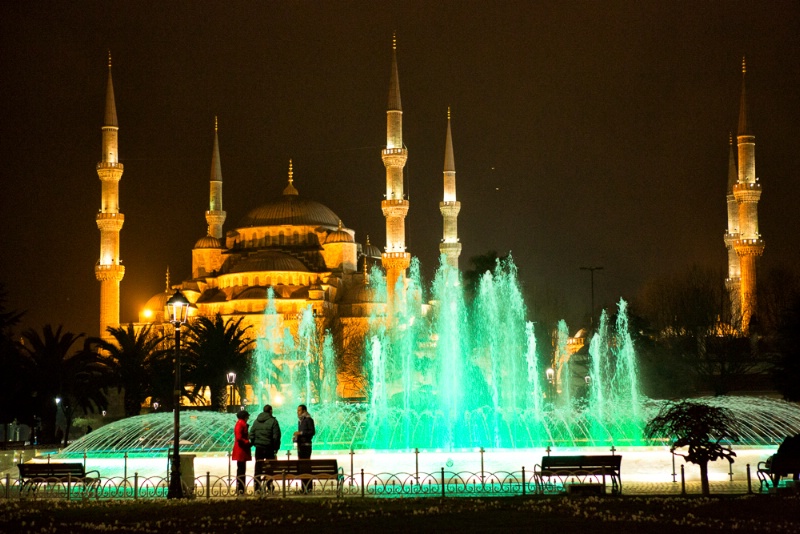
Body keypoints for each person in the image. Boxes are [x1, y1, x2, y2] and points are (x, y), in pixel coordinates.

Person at [249, 404, 281, 492]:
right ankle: (269, 485)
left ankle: (257, 487)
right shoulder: (273, 421)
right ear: (270, 411)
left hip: (259, 448)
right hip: (269, 448)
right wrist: (276, 448)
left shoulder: (256, 421)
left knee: (258, 466)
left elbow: (251, 434)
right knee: (269, 467)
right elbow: (276, 436)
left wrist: (255, 443)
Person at [293, 404, 315, 493]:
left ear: (304, 411)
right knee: (302, 468)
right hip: (301, 446)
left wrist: (300, 433)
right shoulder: (301, 421)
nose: (297, 412)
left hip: (306, 446)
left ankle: (308, 487)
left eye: (299, 410)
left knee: (306, 467)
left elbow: (312, 432)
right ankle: (303, 487)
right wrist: (296, 438)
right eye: (297, 410)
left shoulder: (308, 419)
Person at [231, 410, 251, 495]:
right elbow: (239, 437)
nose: (248, 418)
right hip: (241, 450)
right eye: (247, 417)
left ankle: (241, 488)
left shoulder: (240, 423)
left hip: (241, 450)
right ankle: (240, 488)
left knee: (241, 469)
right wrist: (247, 442)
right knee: (241, 470)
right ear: (245, 417)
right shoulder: (241, 423)